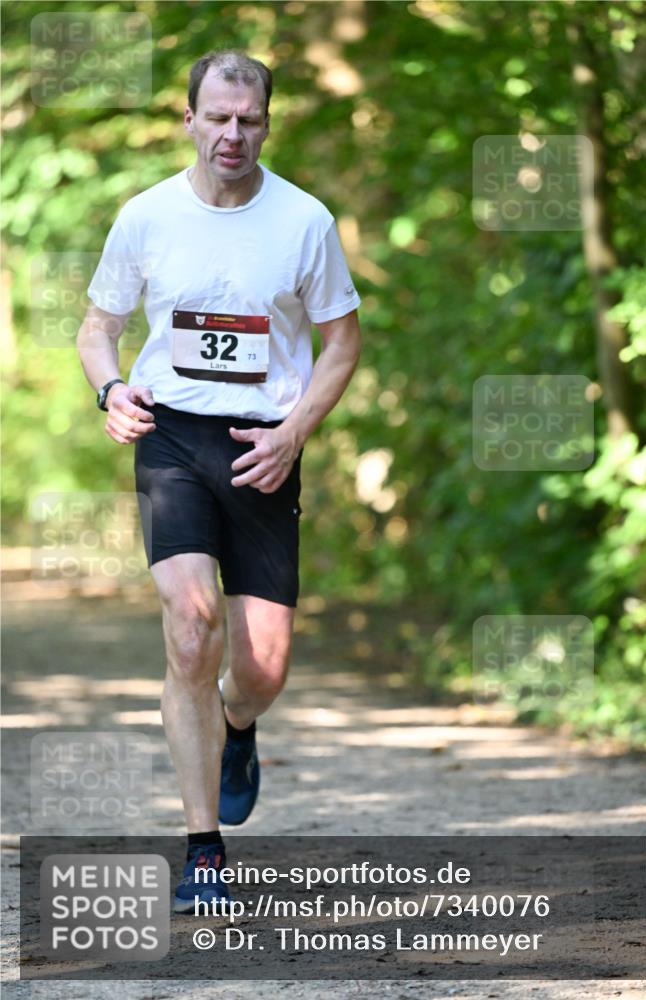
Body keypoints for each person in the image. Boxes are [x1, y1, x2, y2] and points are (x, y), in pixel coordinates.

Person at [77, 50, 361, 914]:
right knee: (191, 625)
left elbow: (342, 342)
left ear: (266, 124)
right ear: (190, 120)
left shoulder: (304, 221)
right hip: (172, 438)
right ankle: (203, 850)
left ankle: (239, 724)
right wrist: (111, 389)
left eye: (249, 119)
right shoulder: (146, 216)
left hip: (264, 444)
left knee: (261, 668)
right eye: (218, 117)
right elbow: (98, 328)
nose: (233, 133)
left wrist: (293, 432)